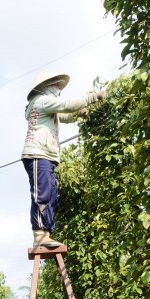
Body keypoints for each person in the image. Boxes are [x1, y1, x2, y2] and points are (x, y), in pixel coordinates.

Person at [22, 71, 106, 248]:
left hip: (47, 156)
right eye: (55, 86)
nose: (58, 89)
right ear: (45, 87)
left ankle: (46, 234)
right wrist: (92, 97)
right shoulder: (41, 101)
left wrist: (80, 113)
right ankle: (39, 234)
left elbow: (65, 115)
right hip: (38, 153)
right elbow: (67, 105)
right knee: (42, 194)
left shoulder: (46, 104)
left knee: (52, 195)